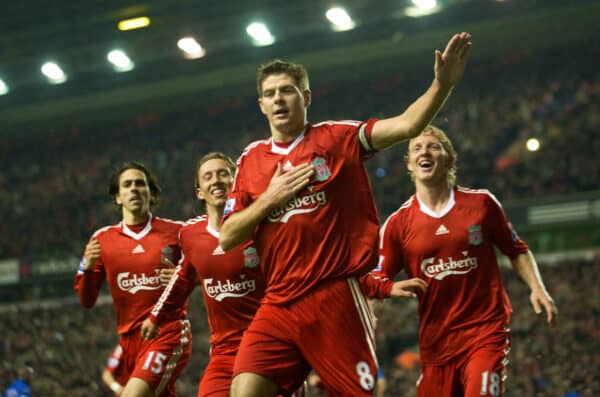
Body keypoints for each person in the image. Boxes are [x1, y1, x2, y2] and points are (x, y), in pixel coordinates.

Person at [219, 32, 472, 396]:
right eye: (270, 94)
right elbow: (228, 236)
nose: (279, 99)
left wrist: (441, 85)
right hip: (277, 302)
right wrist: (269, 199)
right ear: (261, 105)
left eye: (287, 90)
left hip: (334, 298)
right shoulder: (250, 160)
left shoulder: (336, 138)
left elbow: (406, 125)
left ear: (306, 98)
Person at [140, 152, 400, 396]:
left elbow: (313, 264)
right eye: (208, 176)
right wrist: (156, 316)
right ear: (199, 192)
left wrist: (377, 288)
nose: (216, 180)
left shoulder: (264, 226)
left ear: (236, 181)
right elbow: (184, 276)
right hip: (224, 352)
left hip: (275, 348)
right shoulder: (190, 234)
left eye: (223, 174)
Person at [374, 125, 559, 396]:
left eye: (433, 146)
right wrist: (380, 300)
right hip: (437, 346)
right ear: (410, 165)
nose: (424, 151)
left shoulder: (481, 204)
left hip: (485, 333)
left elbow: (516, 249)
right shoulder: (397, 224)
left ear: (449, 159)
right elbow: (376, 278)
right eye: (417, 148)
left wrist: (537, 286)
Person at [74, 162, 192, 397]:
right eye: (127, 185)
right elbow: (86, 300)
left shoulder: (177, 232)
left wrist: (184, 278)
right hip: (129, 343)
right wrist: (87, 268)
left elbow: (207, 269)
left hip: (166, 332)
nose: (134, 189)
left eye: (141, 184)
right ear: (117, 197)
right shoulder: (101, 240)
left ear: (151, 193)